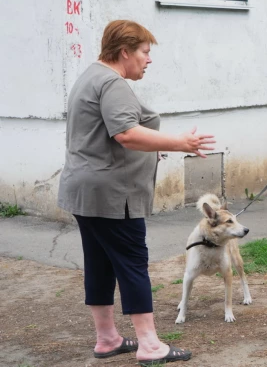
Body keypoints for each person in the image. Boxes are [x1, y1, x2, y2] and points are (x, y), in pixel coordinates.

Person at [58, 20, 215, 365]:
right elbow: (126, 133)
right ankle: (150, 345)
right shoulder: (113, 83)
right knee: (132, 264)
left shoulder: (90, 75)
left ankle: (107, 339)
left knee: (99, 264)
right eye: (145, 52)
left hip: (86, 190)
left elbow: (106, 135)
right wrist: (179, 143)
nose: (149, 59)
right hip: (112, 194)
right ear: (124, 51)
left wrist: (150, 148)